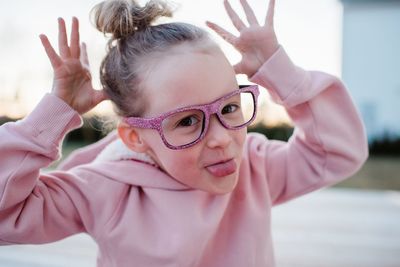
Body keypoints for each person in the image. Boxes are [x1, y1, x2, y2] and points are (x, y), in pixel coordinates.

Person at [0, 0, 368, 266]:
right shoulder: (107, 190)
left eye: (228, 107)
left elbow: (338, 152)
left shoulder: (254, 166)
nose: (223, 137)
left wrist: (282, 73)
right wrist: (52, 114)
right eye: (188, 121)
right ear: (135, 138)